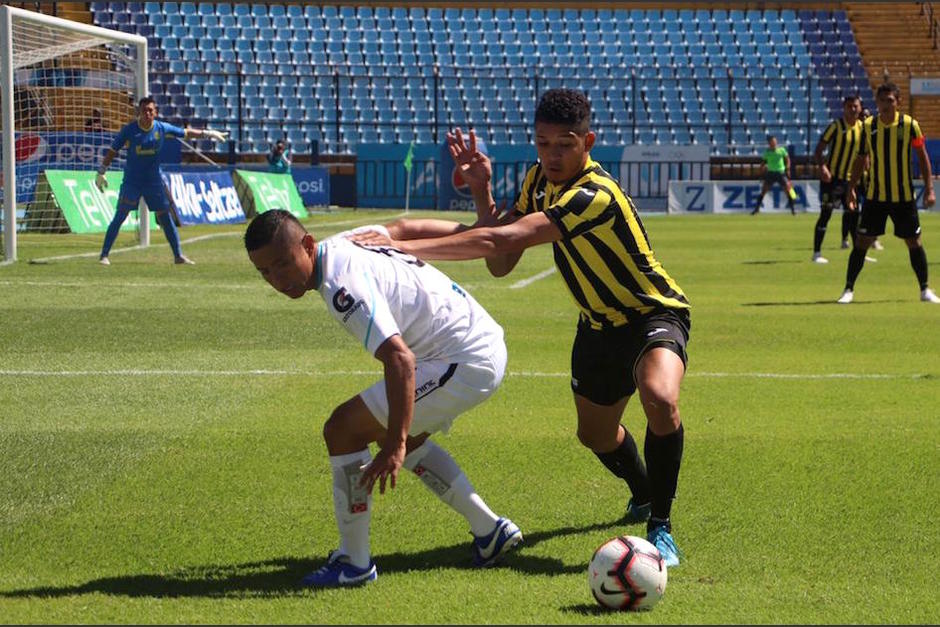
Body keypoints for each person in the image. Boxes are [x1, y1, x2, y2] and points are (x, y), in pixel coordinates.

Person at [351, 88, 691, 567]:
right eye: (543, 143)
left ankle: (661, 525)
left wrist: (401, 248)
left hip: (652, 314)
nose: (552, 155)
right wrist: (481, 191)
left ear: (588, 141)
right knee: (595, 436)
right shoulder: (537, 180)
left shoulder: (594, 194)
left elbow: (502, 240)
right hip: (597, 328)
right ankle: (642, 491)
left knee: (660, 397)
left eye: (564, 145)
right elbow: (501, 262)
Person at [244, 210, 523, 588]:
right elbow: (403, 227)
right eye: (265, 272)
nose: (277, 280)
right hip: (472, 341)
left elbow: (399, 359)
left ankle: (354, 563)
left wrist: (395, 444)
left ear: (308, 245)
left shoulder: (342, 286)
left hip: (463, 358)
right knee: (401, 429)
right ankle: (490, 530)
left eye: (282, 264)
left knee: (343, 430)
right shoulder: (344, 242)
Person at [94, 96, 228, 266]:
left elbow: (185, 133)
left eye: (150, 110)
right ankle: (104, 255)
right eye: (144, 110)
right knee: (120, 216)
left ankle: (178, 256)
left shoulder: (161, 128)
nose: (147, 113)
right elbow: (113, 150)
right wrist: (102, 171)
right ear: (139, 112)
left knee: (165, 217)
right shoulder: (129, 130)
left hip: (153, 182)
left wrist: (207, 134)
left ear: (155, 112)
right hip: (132, 181)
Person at [839, 82, 940, 304]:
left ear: (898, 102)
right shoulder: (868, 126)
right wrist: (851, 188)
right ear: (877, 102)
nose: (886, 104)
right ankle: (848, 289)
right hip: (875, 196)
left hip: (903, 197)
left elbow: (922, 156)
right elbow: (861, 158)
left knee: (914, 241)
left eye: (890, 100)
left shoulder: (910, 125)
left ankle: (925, 290)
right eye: (882, 100)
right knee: (862, 242)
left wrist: (929, 188)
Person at [751, 135, 797, 215]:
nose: (774, 143)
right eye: (772, 141)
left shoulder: (781, 150)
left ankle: (793, 210)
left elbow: (787, 159)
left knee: (788, 191)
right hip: (771, 173)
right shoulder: (767, 152)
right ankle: (756, 209)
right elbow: (763, 163)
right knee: (763, 191)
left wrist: (788, 168)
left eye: (775, 141)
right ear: (769, 143)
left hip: (781, 173)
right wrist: (761, 171)